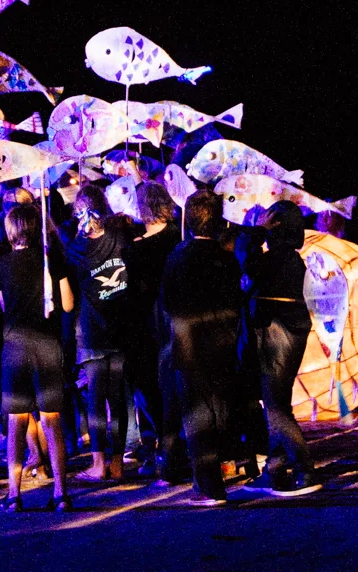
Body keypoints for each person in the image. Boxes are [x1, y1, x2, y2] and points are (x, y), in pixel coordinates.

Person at [160, 190, 243, 506]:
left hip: (188, 343)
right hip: (222, 342)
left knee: (196, 414)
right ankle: (213, 472)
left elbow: (166, 302)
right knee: (219, 408)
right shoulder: (226, 259)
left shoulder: (177, 256)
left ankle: (209, 485)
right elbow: (237, 299)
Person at [0, 202, 75, 512]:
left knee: (16, 422)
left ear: (12, 231)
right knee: (52, 421)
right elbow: (66, 305)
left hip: (14, 347)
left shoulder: (0, 265)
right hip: (47, 346)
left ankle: (14, 494)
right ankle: (61, 493)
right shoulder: (51, 261)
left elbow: (4, 307)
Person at [238, 201, 319, 495]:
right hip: (287, 332)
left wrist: (258, 230)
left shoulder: (277, 259)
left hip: (277, 334)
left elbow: (244, 255)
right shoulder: (291, 259)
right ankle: (274, 470)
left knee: (276, 408)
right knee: (277, 404)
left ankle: (305, 470)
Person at [66, 197, 134, 482]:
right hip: (120, 326)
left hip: (92, 330)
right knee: (117, 397)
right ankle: (117, 463)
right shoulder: (121, 239)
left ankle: (98, 463)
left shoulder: (76, 248)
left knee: (95, 398)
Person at [124, 182, 179, 474]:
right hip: (174, 322)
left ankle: (160, 446)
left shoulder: (136, 249)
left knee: (148, 387)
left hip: (146, 326)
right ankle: (174, 446)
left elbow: (133, 292)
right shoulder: (177, 237)